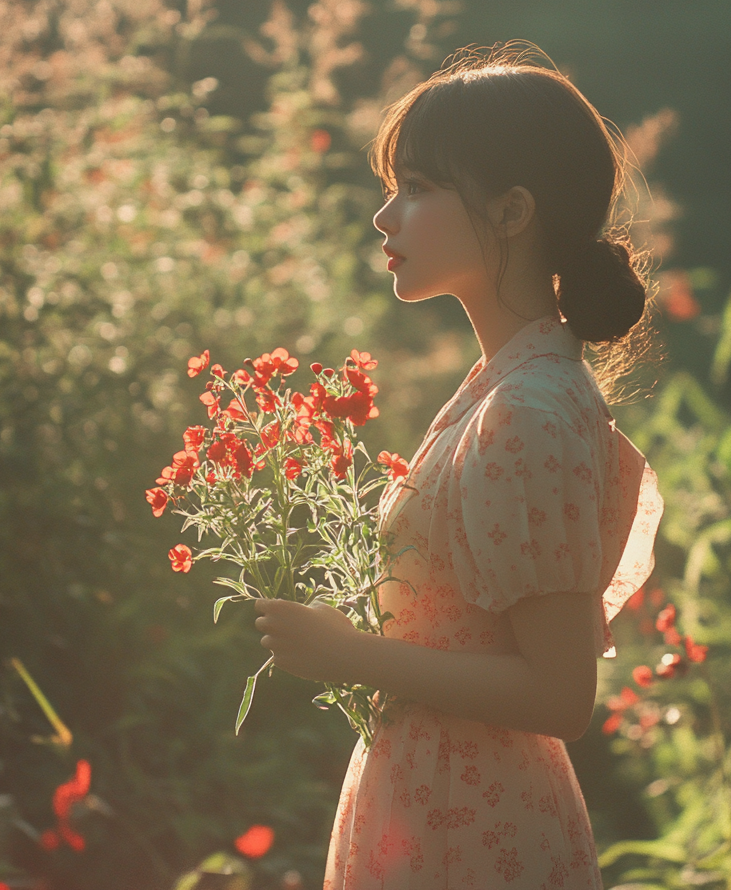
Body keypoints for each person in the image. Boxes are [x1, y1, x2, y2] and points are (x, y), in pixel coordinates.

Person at [253, 44, 664, 889]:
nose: (385, 217)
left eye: (418, 188)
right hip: (440, 804)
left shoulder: (528, 411)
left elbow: (559, 696)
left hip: (472, 832)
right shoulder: (510, 386)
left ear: (512, 211)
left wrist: (349, 654)